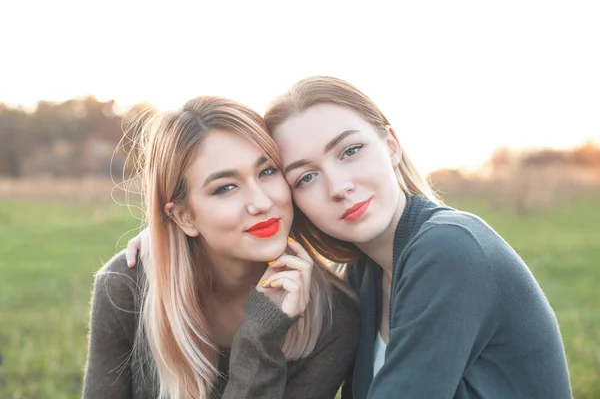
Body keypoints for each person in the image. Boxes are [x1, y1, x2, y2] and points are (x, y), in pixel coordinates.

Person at [127, 77, 573, 398]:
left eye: (351, 151)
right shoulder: (363, 274)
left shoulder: (450, 248)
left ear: (392, 145)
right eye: (305, 176)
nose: (339, 186)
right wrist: (182, 233)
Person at [82, 96, 359, 399]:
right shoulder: (125, 288)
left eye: (267, 171)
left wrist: (260, 335)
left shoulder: (332, 317)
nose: (262, 203)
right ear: (184, 216)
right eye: (225, 188)